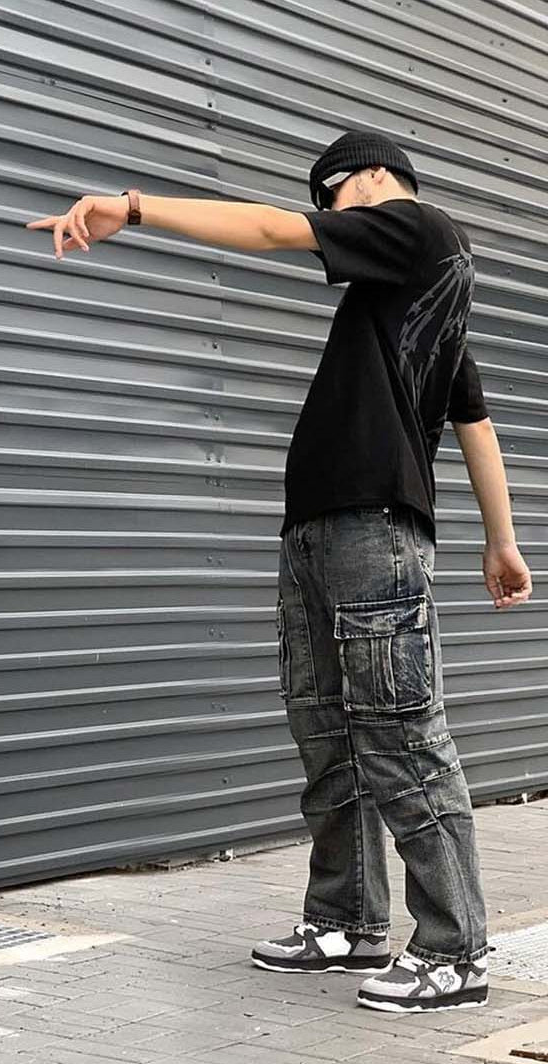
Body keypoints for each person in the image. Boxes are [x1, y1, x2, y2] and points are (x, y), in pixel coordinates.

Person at [28, 131, 532, 1015]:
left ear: (370, 181)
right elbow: (474, 419)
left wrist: (136, 207)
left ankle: (456, 951)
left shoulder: (421, 230)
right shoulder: (412, 293)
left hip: (371, 529)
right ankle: (344, 919)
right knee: (327, 734)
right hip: (320, 532)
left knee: (402, 737)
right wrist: (503, 540)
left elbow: (268, 230)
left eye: (330, 198)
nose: (326, 221)